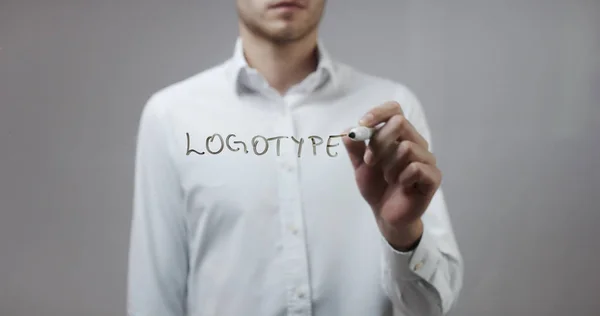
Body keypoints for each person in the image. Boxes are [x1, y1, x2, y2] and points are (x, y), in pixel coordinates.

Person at [127, 0, 463, 315]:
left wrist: (401, 231)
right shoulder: (170, 116)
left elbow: (430, 308)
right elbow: (153, 301)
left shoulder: (390, 112)